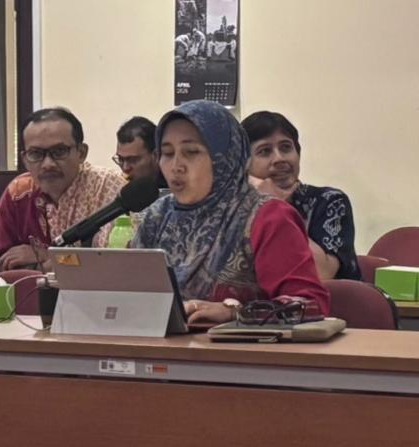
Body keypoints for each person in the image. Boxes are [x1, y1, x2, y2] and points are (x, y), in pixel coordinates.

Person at [131, 100, 329, 325]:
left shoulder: (268, 217)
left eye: (191, 152)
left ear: (224, 157)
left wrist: (236, 313)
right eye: (167, 153)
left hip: (240, 347)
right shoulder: (157, 217)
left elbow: (310, 306)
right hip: (155, 344)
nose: (176, 166)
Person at [0, 107, 124, 270]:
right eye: (35, 154)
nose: (48, 164)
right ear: (24, 159)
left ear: (81, 153)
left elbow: (113, 264)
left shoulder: (108, 187)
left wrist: (48, 256)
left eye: (59, 151)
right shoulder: (18, 193)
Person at [241, 110, 359, 281]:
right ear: (243, 164)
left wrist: (276, 207)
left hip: (327, 298)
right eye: (265, 151)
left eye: (286, 147)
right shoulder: (236, 210)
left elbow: (322, 273)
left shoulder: (329, 201)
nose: (279, 158)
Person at [114, 116, 166, 189]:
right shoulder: (126, 190)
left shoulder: (175, 186)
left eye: (133, 160)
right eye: (120, 159)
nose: (125, 168)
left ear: (156, 156)